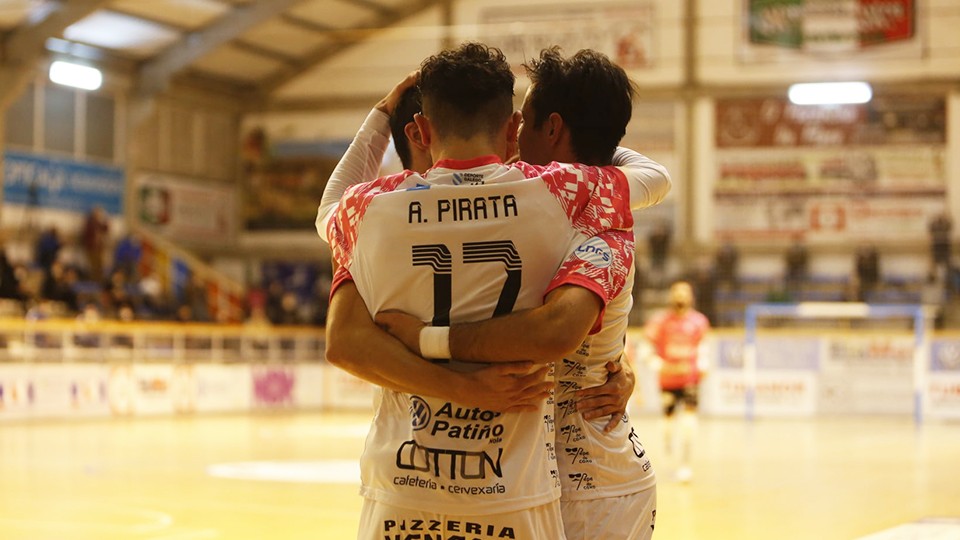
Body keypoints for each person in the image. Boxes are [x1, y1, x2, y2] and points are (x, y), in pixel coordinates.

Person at [324, 43, 666, 539]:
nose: (519, 133)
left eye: (528, 121)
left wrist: (381, 117)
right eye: (516, 121)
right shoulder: (568, 199)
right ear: (507, 127)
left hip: (406, 479)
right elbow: (656, 177)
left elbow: (329, 223)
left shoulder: (367, 210)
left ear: (421, 129)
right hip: (524, 484)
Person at [644, 280, 710, 483]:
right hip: (667, 380)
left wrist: (702, 364)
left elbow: (703, 346)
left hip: (689, 379)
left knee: (689, 422)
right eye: (677, 293)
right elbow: (647, 349)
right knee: (668, 424)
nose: (681, 297)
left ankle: (685, 464)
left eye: (685, 293)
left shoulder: (699, 321)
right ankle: (668, 459)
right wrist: (659, 365)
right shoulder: (660, 321)